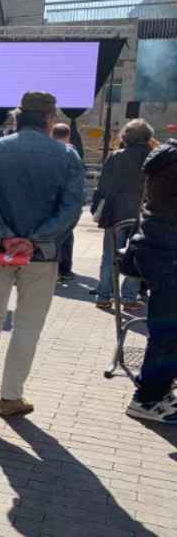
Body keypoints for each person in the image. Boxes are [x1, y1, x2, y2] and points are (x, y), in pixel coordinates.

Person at [0, 92, 84, 421]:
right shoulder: (67, 155)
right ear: (49, 119)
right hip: (41, 257)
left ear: (17, 117)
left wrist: (4, 237)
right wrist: (35, 240)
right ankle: (10, 397)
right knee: (27, 327)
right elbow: (72, 208)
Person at [125, 137, 177, 423]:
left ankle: (157, 392)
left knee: (167, 330)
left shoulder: (166, 155)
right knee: (168, 332)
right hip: (168, 252)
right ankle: (148, 399)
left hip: (159, 248)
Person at [90, 119, 154, 311]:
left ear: (126, 137)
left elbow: (102, 187)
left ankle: (103, 296)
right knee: (136, 256)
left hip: (114, 213)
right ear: (147, 137)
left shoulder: (116, 156)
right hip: (141, 214)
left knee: (109, 256)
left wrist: (96, 209)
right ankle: (128, 297)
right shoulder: (153, 157)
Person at [51, 123, 81, 282]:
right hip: (65, 200)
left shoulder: (47, 150)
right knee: (66, 235)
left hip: (50, 199)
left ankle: (53, 268)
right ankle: (64, 269)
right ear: (68, 135)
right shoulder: (72, 153)